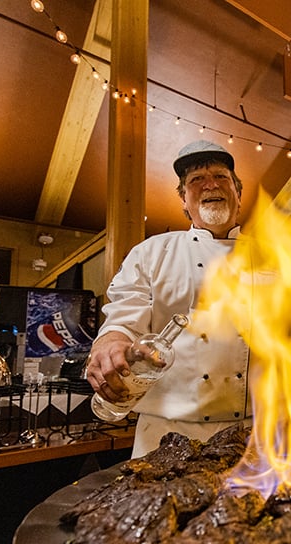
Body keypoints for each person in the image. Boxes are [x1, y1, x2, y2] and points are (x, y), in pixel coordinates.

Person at [84, 140, 251, 457]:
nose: (210, 184)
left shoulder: (275, 258)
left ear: (239, 196)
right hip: (166, 437)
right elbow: (123, 317)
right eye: (196, 180)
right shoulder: (152, 252)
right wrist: (109, 344)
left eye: (221, 176)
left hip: (253, 435)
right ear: (184, 202)